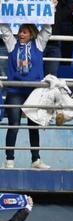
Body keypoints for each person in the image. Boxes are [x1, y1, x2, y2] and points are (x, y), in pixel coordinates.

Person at [1, 22, 52, 168]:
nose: (20, 34)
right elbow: (4, 29)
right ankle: (9, 160)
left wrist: (51, 11)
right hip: (15, 91)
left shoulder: (38, 44)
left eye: (24, 32)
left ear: (31, 34)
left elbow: (47, 29)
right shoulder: (12, 44)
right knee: (14, 125)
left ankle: (36, 160)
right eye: (20, 32)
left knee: (33, 127)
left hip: (34, 92)